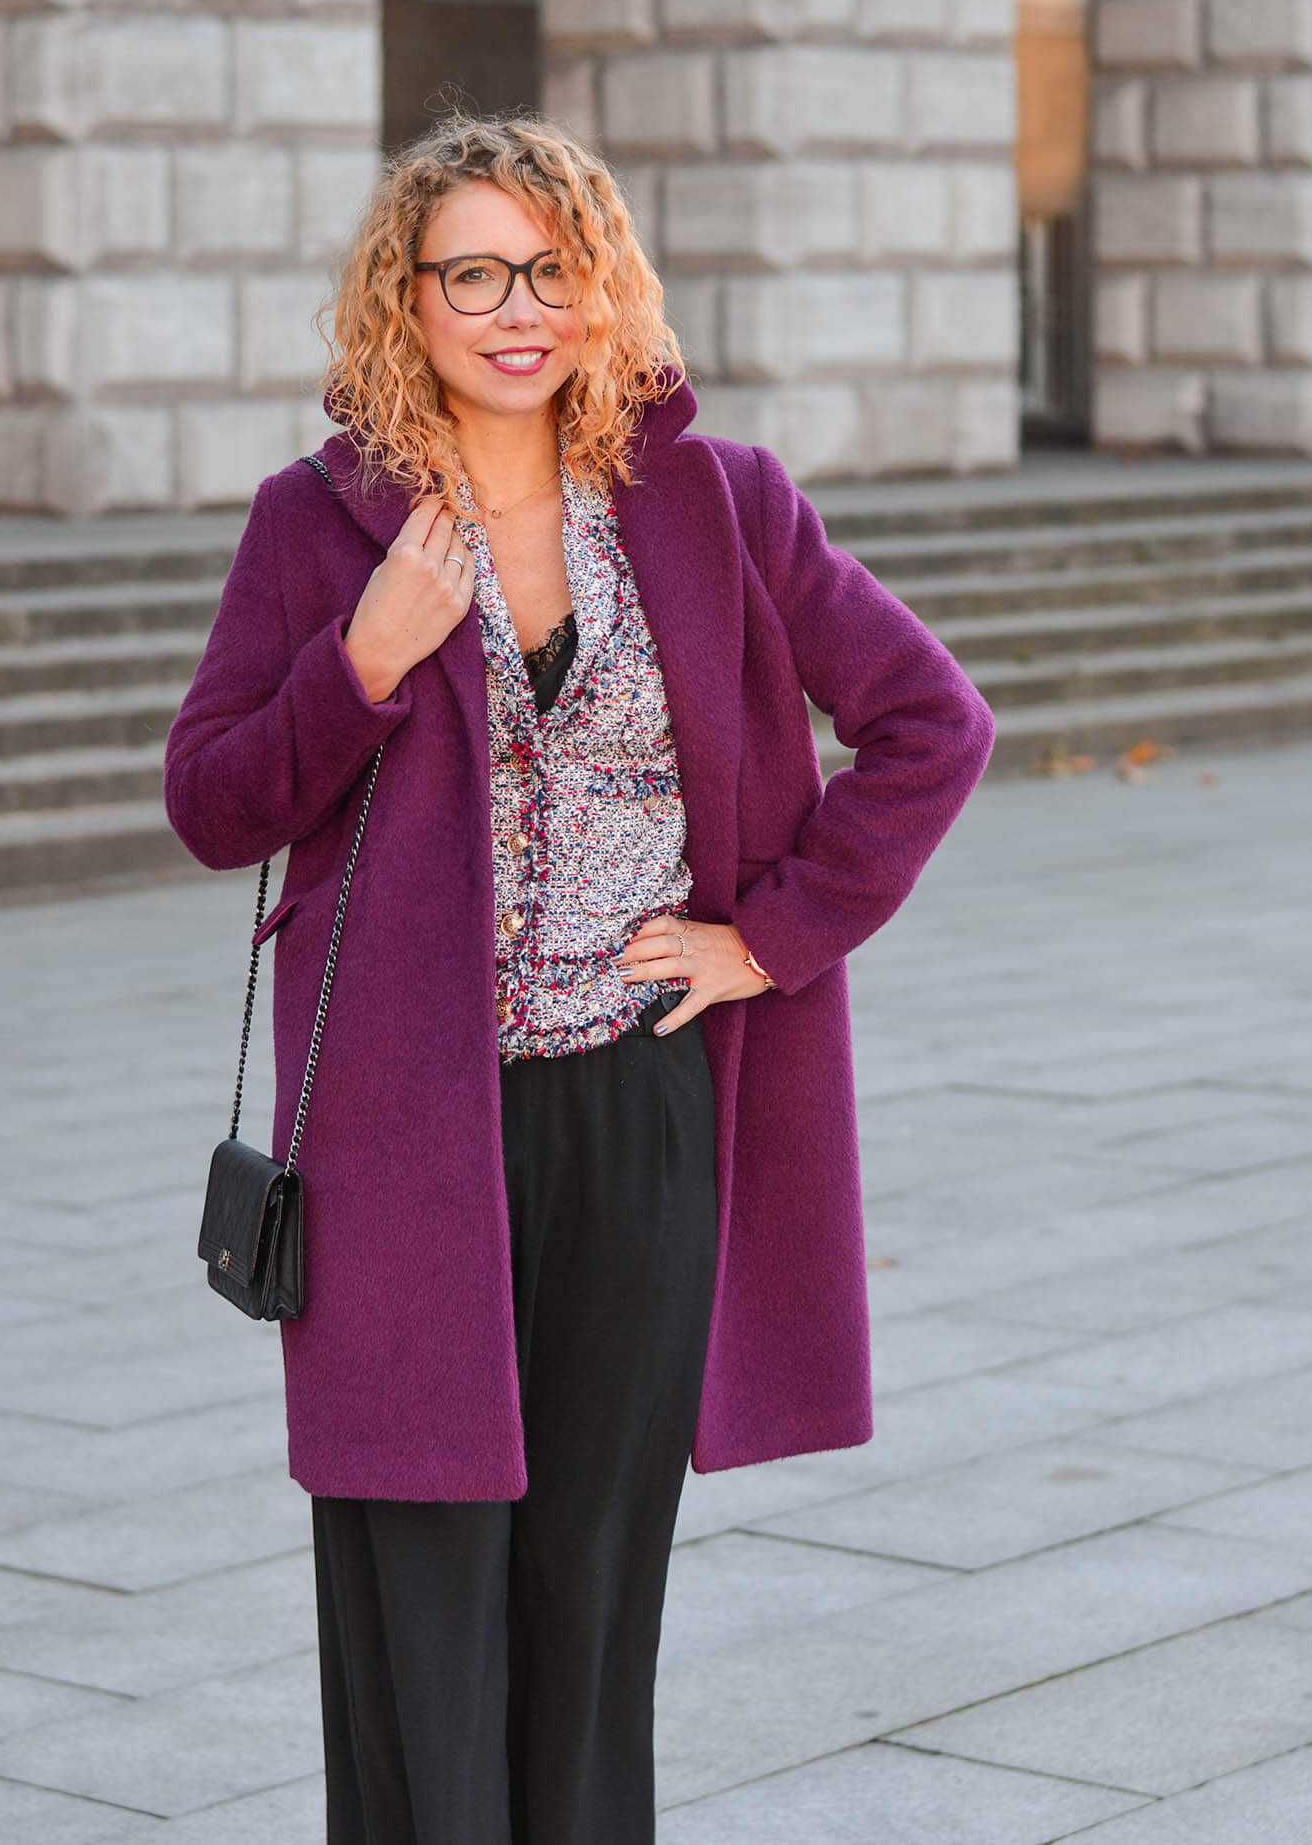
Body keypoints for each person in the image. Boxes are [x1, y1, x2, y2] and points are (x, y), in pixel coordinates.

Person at [164, 113, 994, 1845]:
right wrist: (363, 659)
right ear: (410, 297)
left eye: (549, 267)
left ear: (601, 286)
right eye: (473, 270)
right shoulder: (319, 528)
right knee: (421, 1606)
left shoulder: (719, 505)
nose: (516, 307)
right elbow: (212, 799)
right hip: (407, 1141)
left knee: (592, 1603)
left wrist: (769, 935)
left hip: (637, 1110)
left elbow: (933, 722)